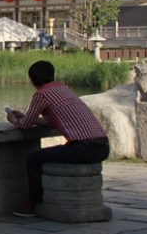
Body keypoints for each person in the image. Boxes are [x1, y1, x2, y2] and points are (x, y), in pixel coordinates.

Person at [6, 60, 109, 217]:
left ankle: (33, 203)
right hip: (101, 145)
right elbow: (50, 121)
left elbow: (24, 126)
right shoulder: (63, 89)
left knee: (33, 158)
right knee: (43, 156)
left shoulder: (41, 95)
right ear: (52, 75)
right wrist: (29, 118)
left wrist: (13, 119)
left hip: (84, 148)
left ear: (32, 80)